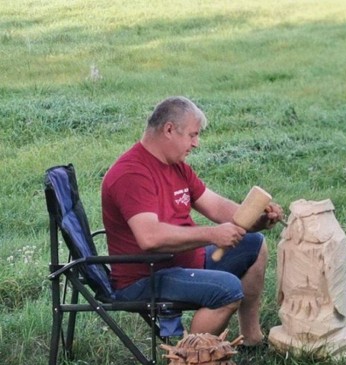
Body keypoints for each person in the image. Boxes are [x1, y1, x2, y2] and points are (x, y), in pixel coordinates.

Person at [101, 96, 284, 345]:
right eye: (192, 135)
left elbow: (218, 207)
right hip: (146, 276)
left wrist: (258, 219)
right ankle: (191, 359)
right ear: (168, 129)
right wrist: (212, 235)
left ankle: (251, 338)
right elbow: (150, 237)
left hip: (184, 262)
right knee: (227, 290)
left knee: (255, 244)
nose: (196, 144)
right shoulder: (131, 173)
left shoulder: (176, 165)